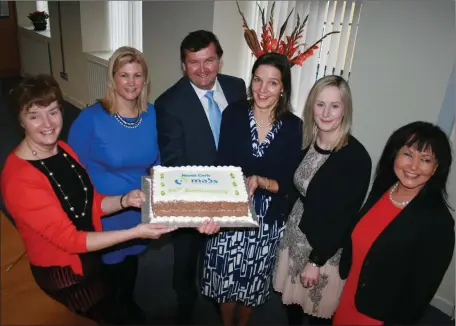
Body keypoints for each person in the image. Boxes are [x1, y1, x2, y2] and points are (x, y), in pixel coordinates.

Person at [0, 74, 179, 324]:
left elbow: (89, 201)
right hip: (65, 271)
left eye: (52, 111)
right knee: (110, 316)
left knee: (114, 300)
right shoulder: (20, 179)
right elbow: (71, 240)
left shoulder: (62, 150)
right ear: (20, 120)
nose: (47, 123)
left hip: (90, 255)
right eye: (34, 116)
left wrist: (124, 200)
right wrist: (136, 232)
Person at [200, 52, 303, 326]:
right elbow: (222, 165)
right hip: (231, 211)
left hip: (266, 220)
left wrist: (261, 181)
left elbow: (291, 184)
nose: (262, 89)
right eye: (258, 79)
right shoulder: (234, 113)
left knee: (252, 282)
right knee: (224, 277)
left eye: (272, 83)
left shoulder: (293, 126)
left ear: (283, 88)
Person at [154, 30, 247, 324]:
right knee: (186, 257)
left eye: (209, 60)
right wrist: (202, 206)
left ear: (219, 59)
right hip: (193, 196)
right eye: (194, 62)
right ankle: (185, 301)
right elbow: (174, 163)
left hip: (233, 191)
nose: (203, 69)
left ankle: (221, 295)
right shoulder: (168, 103)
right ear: (183, 65)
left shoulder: (236, 87)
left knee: (227, 255)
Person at [333, 121, 455, 325]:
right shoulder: (382, 190)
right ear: (395, 155)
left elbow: (420, 292)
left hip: (380, 316)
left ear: (436, 168)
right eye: (408, 154)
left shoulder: (438, 222)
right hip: (349, 297)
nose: (413, 166)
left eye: (425, 159)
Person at [273, 75, 372, 325]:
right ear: (311, 107)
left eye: (335, 106)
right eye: (320, 104)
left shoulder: (355, 157)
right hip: (295, 235)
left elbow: (344, 218)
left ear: (345, 109)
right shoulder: (307, 141)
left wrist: (316, 261)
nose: (326, 113)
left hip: (324, 247)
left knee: (317, 313)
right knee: (292, 304)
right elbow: (297, 187)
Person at [67, 46, 156, 324]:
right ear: (112, 78)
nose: (131, 83)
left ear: (145, 79)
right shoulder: (91, 118)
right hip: (104, 211)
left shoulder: (152, 115)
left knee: (130, 262)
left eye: (137, 75)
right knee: (106, 274)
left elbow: (158, 164)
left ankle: (126, 303)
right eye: (124, 75)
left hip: (137, 208)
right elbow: (72, 170)